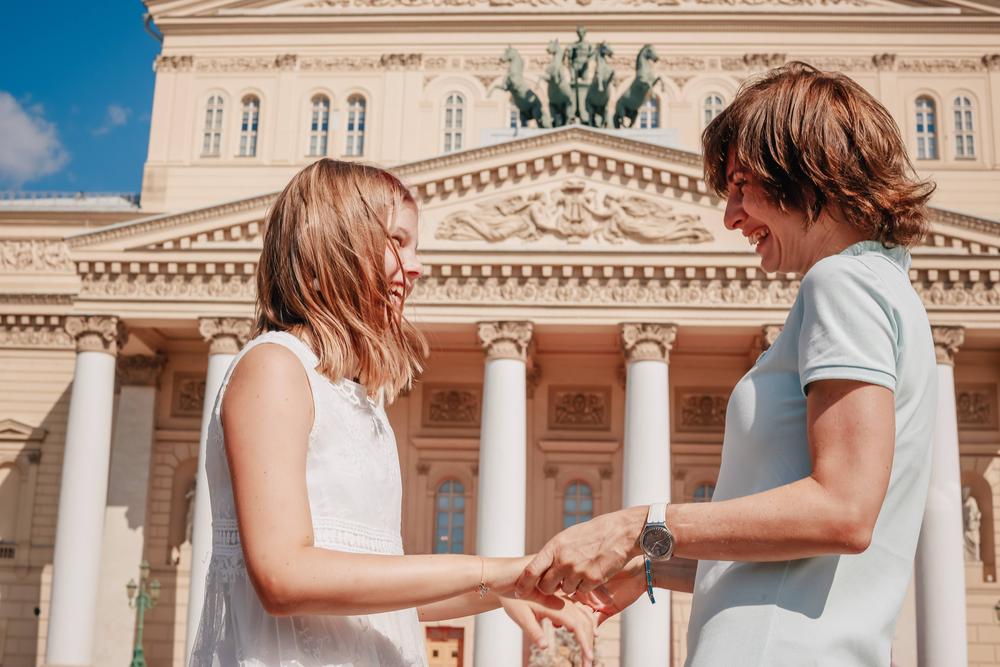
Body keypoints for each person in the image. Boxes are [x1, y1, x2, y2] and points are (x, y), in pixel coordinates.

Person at [516, 62, 938, 666]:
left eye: (743, 185)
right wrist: (646, 570)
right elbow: (800, 555)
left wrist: (639, 524)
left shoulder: (841, 282)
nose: (731, 215)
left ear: (805, 170)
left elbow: (843, 512)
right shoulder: (888, 286)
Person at [190, 159, 597, 666]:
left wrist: (516, 587)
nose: (418, 267)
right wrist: (491, 570)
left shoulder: (352, 394)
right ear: (335, 242)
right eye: (398, 242)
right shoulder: (273, 367)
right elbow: (284, 575)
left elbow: (382, 594)